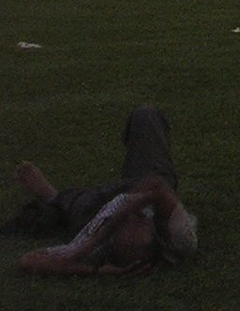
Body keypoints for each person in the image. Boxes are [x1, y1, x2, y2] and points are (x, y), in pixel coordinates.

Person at [9, 106, 199, 276]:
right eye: (140, 219)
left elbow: (28, 261)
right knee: (145, 116)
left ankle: (53, 197)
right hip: (145, 188)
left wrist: (91, 259)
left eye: (125, 222)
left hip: (98, 209)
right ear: (156, 232)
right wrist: (126, 209)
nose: (131, 215)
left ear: (112, 239)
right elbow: (156, 186)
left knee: (71, 210)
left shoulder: (97, 244)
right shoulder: (179, 239)